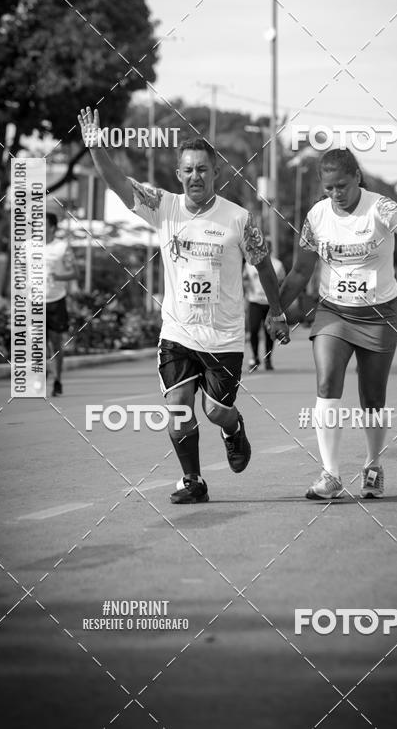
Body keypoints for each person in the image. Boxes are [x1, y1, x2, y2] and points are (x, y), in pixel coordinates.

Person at [78, 107, 290, 504]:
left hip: (223, 336)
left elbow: (263, 265)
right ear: (179, 174)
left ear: (216, 174)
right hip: (177, 331)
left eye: (203, 170)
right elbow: (118, 184)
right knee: (178, 408)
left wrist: (277, 312)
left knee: (215, 411)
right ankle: (193, 481)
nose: (196, 176)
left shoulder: (239, 219)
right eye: (188, 170)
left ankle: (233, 428)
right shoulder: (164, 207)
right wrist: (95, 146)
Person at [274, 148, 397, 500]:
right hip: (334, 311)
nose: (336, 194)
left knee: (373, 397)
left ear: (357, 177)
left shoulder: (379, 207)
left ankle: (373, 466)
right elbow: (300, 272)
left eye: (342, 186)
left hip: (379, 313)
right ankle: (330, 475)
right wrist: (276, 311)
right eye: (329, 188)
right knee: (327, 382)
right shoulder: (316, 216)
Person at [45, 212, 78, 396]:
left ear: (51, 227)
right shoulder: (28, 247)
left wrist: (57, 277)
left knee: (56, 343)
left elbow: (75, 273)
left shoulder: (62, 247)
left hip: (56, 301)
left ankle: (57, 380)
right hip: (34, 301)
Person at [243, 247, 286, 371]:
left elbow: (282, 282)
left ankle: (268, 359)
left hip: (270, 303)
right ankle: (255, 357)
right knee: (253, 330)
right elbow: (244, 280)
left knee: (270, 332)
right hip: (254, 301)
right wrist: (246, 292)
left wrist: (279, 301)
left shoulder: (277, 264)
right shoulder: (249, 263)